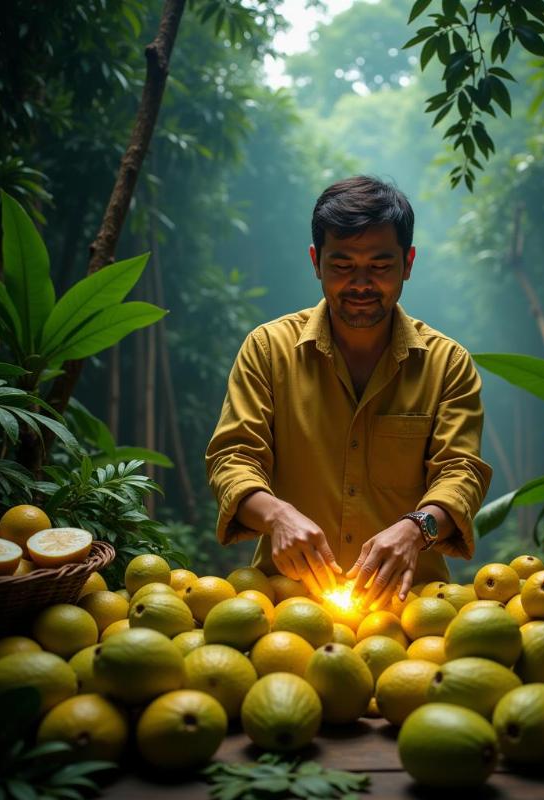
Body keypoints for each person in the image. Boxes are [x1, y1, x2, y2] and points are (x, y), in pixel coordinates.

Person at [205, 175, 492, 611]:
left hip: (413, 609)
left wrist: (417, 529)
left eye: (380, 266)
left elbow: (461, 472)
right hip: (284, 604)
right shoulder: (267, 350)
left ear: (408, 263)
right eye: (342, 266)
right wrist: (278, 516)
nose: (361, 283)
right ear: (316, 262)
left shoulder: (447, 364)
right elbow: (233, 458)